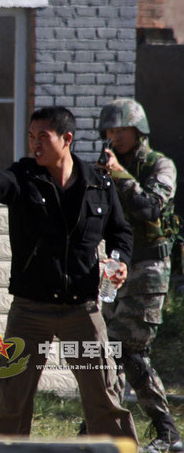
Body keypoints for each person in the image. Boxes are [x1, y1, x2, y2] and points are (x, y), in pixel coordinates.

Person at [0, 107, 138, 442]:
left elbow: (120, 233)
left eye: (42, 137)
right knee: (10, 399)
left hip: (82, 309)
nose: (35, 144)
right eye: (32, 137)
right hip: (29, 311)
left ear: (67, 139)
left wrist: (120, 262)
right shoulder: (24, 177)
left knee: (104, 395)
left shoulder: (99, 183)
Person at [96, 99, 181, 452]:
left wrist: (118, 174)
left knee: (128, 350)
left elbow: (150, 208)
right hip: (116, 265)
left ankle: (167, 433)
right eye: (110, 130)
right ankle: (99, 426)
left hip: (148, 268)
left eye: (122, 130)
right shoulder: (105, 167)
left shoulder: (159, 165)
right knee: (105, 349)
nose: (115, 136)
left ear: (138, 131)